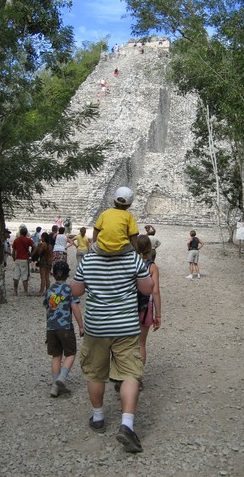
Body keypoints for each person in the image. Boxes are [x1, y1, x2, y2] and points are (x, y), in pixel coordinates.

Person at [70, 247, 154, 453]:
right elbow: (147, 289)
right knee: (130, 373)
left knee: (95, 373)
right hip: (125, 326)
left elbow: (76, 290)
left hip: (96, 327)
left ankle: (98, 418)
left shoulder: (89, 259)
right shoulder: (133, 258)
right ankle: (127, 425)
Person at [43, 261, 84, 398]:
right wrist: (81, 326)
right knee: (71, 353)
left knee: (56, 356)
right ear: (67, 274)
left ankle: (55, 386)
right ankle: (62, 377)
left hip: (51, 328)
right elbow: (75, 308)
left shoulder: (49, 290)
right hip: (65, 327)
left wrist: (48, 327)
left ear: (53, 274)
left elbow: (49, 309)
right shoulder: (69, 289)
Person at [136, 235, 162, 385]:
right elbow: (156, 291)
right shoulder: (152, 267)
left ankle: (123, 375)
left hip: (128, 306)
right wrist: (158, 314)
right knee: (141, 344)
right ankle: (137, 378)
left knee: (125, 343)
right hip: (146, 307)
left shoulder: (130, 264)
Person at [92, 186, 139, 256]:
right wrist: (136, 248)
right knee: (132, 251)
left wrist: (94, 243)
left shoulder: (104, 213)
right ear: (129, 205)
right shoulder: (129, 216)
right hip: (121, 249)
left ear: (114, 201)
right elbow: (133, 236)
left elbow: (96, 230)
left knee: (90, 249)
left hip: (101, 249)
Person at [12, 226, 35, 296]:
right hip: (25, 259)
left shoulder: (16, 240)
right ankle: (25, 291)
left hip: (17, 259)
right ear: (26, 233)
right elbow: (35, 247)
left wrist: (14, 258)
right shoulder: (28, 240)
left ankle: (15, 291)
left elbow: (13, 251)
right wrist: (31, 254)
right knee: (25, 276)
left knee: (16, 276)